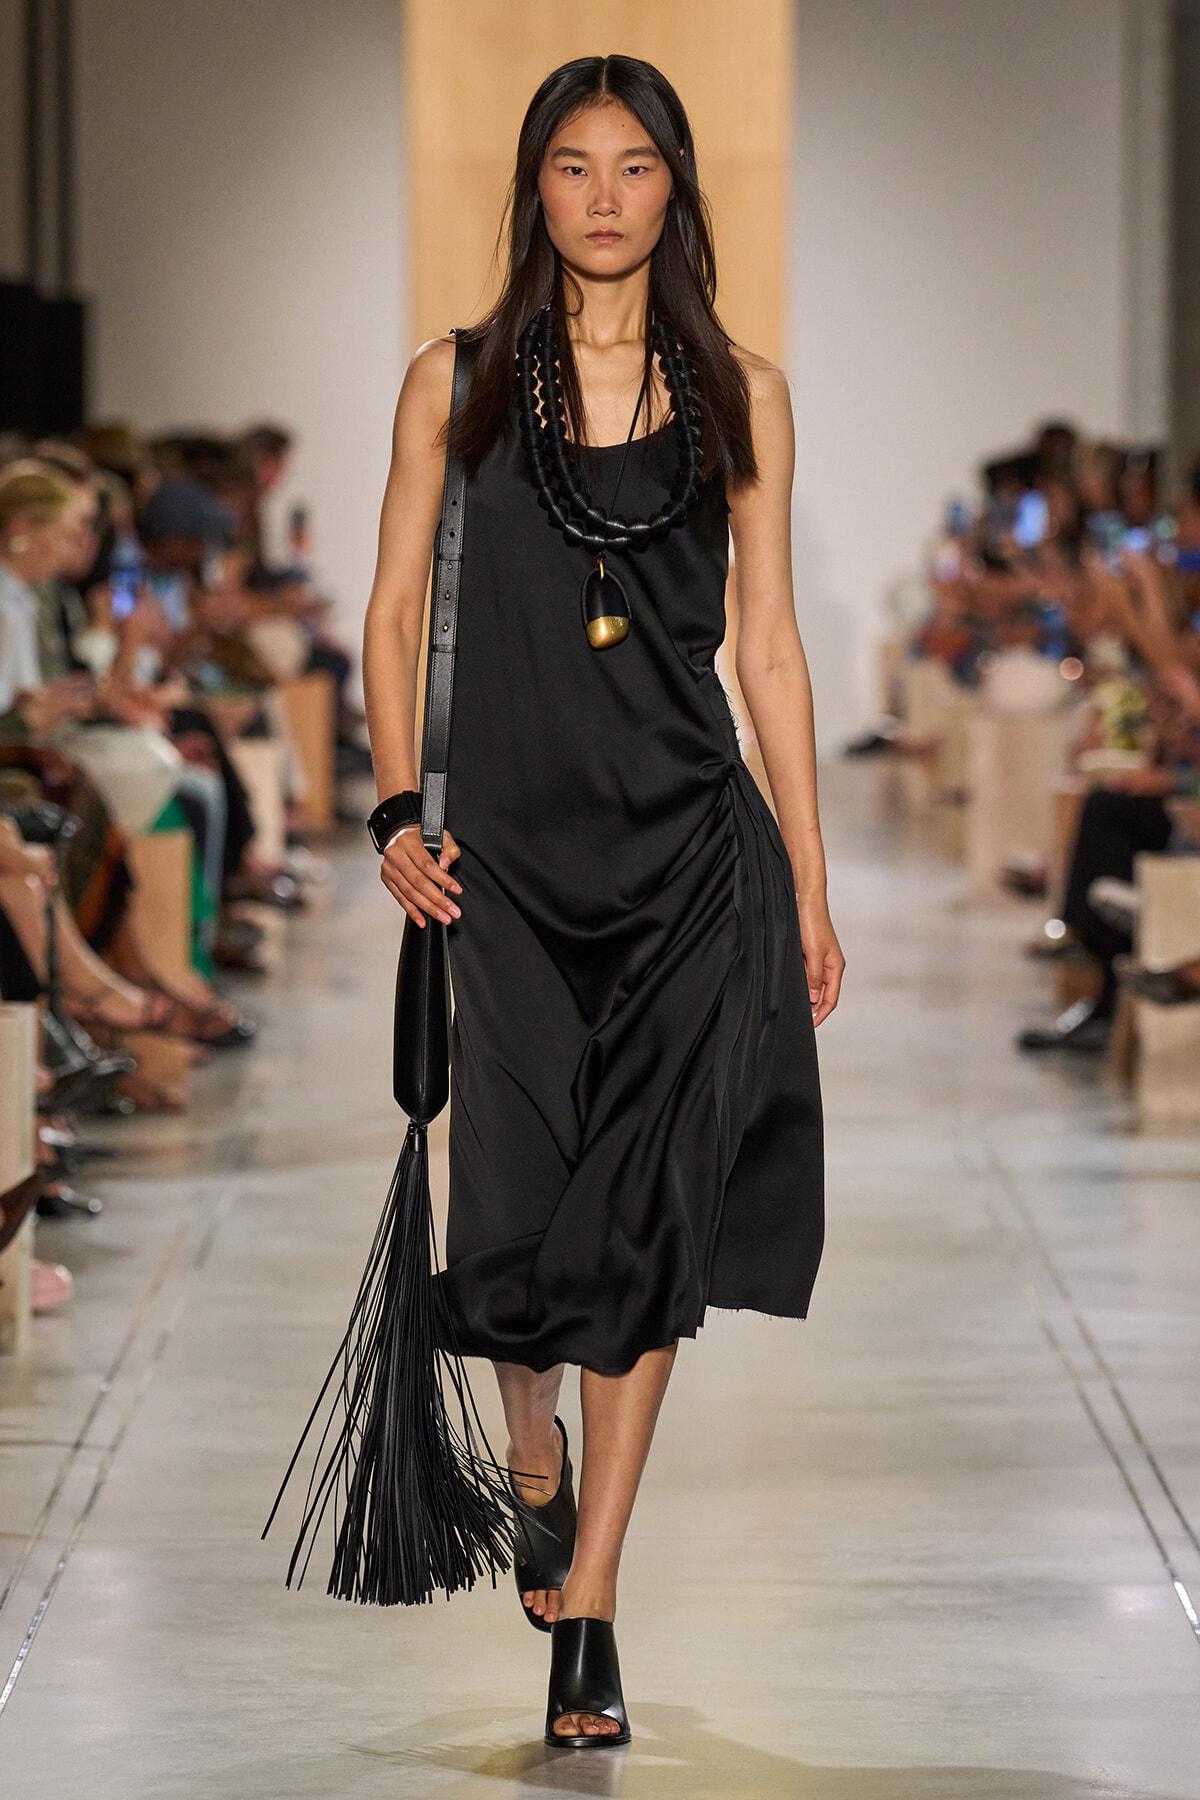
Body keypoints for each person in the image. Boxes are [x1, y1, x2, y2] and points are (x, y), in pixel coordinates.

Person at [361, 55, 841, 1748]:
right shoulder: (461, 381)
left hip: (685, 862)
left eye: (637, 166)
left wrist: (810, 871)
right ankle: (536, 1454)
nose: (607, 195)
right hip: (500, 871)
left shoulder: (745, 394)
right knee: (506, 1225)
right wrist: (392, 806)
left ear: (676, 188)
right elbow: (395, 597)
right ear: (536, 190)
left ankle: (597, 1610)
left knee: (643, 1243)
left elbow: (765, 646)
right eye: (575, 166)